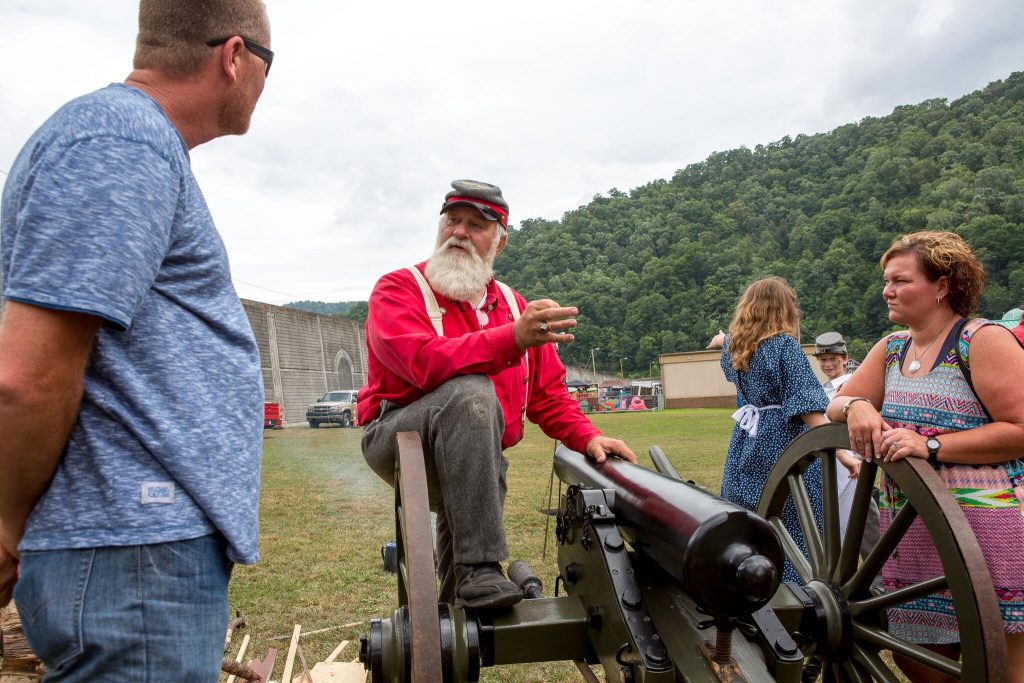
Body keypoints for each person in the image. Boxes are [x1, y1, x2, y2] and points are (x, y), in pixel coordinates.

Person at [0, 1, 271, 679]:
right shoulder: (122, 142)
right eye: (271, 65)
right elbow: (28, 373)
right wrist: (3, 526)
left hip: (137, 553)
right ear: (234, 57)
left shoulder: (125, 141)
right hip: (132, 551)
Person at [359, 179, 637, 609]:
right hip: (399, 439)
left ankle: (462, 605)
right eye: (452, 220)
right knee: (473, 392)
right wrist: (512, 339)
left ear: (499, 243)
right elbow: (422, 361)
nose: (460, 233)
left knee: (463, 609)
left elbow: (547, 394)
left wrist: (587, 437)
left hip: (476, 457)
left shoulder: (513, 305)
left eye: (476, 225)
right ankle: (482, 567)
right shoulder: (397, 289)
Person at [828, 231, 1024, 682]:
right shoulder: (893, 348)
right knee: (916, 658)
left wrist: (932, 445)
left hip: (988, 528)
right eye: (886, 280)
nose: (887, 290)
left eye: (900, 280)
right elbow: (837, 404)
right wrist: (857, 405)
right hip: (913, 529)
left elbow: (1019, 428)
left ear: (943, 285)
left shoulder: (981, 340)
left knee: (1002, 664)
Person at [718, 278, 845, 582]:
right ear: (785, 309)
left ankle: (752, 575)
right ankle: (792, 583)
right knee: (795, 517)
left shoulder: (735, 350)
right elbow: (809, 407)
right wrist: (841, 452)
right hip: (782, 440)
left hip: (747, 439)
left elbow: (724, 349)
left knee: (751, 510)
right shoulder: (784, 347)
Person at [813, 331, 880, 556]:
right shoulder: (822, 390)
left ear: (844, 358)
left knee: (866, 529)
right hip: (831, 468)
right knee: (837, 529)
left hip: (856, 464)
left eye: (833, 359)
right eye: (823, 359)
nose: (828, 364)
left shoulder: (854, 386)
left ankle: (879, 584)